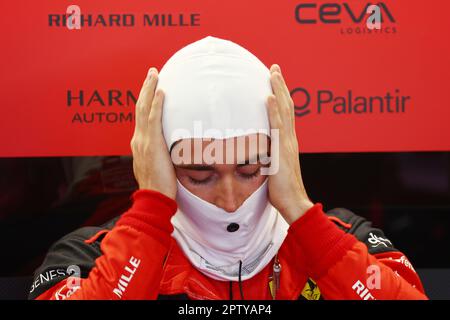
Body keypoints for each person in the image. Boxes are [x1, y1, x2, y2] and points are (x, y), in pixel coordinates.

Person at [29, 36, 427, 300]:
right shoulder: (87, 256)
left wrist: (303, 215)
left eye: (250, 170)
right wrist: (149, 217)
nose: (230, 199)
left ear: (280, 157)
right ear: (158, 162)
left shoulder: (340, 239)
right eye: (199, 175)